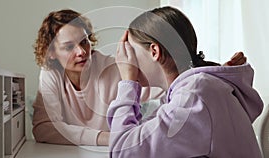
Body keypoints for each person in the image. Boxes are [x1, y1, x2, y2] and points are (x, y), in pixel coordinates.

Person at [32, 8, 247, 146]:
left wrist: (213, 70)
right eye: (69, 47)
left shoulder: (193, 95)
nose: (81, 52)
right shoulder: (51, 75)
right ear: (51, 52)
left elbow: (168, 84)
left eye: (85, 41)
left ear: (154, 52)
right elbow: (43, 128)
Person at [107, 6, 263, 157]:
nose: (127, 61)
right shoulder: (200, 89)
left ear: (154, 51)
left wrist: (127, 82)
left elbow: (123, 151)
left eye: (131, 52)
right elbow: (144, 135)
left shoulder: (194, 96)